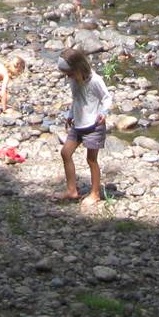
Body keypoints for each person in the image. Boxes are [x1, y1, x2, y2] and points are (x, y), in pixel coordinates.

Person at [56, 46, 111, 206]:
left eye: (70, 74)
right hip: (78, 123)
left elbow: (107, 98)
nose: (69, 77)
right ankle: (71, 190)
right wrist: (70, 114)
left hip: (94, 125)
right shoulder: (74, 81)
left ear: (79, 68)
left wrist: (103, 112)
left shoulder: (95, 81)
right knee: (65, 153)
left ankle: (95, 193)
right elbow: (76, 99)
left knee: (91, 159)